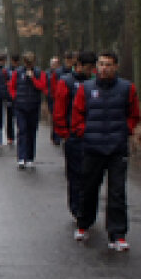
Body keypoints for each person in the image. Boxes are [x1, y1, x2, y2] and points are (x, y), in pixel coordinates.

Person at [71, 51, 141, 251]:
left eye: (109, 64)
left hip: (117, 148)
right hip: (92, 147)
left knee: (117, 191)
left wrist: (125, 130)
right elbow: (77, 114)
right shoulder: (86, 89)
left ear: (115, 67)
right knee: (89, 188)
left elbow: (134, 115)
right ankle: (83, 224)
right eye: (101, 64)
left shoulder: (127, 88)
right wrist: (84, 132)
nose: (104, 68)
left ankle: (118, 234)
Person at [54, 51, 96, 222]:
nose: (92, 71)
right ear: (79, 66)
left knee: (90, 175)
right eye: (89, 68)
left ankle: (87, 207)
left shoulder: (95, 83)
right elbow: (59, 109)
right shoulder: (66, 82)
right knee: (75, 174)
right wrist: (64, 132)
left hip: (92, 135)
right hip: (73, 135)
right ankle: (77, 208)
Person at [8, 51, 47, 169]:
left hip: (34, 106)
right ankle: (21, 157)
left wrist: (33, 78)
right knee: (22, 131)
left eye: (30, 62)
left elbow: (42, 86)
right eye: (26, 62)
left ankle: (30, 157)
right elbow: (11, 86)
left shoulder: (39, 73)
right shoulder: (17, 73)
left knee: (32, 132)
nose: (28, 65)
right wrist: (15, 96)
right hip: (20, 106)